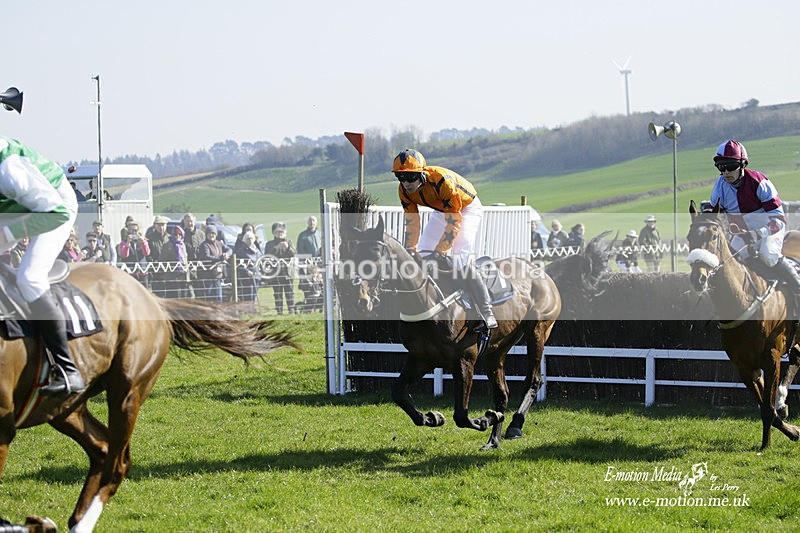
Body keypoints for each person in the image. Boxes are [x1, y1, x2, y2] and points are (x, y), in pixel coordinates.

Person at [0, 137, 84, 395]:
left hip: (54, 209)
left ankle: (68, 369)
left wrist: (5, 235)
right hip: (18, 208)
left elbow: (55, 213)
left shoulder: (10, 170)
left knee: (30, 277)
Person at [393, 148, 497, 329]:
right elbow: (412, 221)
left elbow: (454, 221)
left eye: (411, 177)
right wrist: (410, 247)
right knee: (423, 254)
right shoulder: (403, 191)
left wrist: (440, 252)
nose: (406, 183)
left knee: (460, 256)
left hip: (465, 208)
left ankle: (486, 312)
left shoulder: (443, 182)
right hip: (442, 211)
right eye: (401, 177)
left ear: (422, 174)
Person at [708, 139, 800, 313]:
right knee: (729, 262)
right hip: (742, 233)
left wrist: (758, 233)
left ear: (742, 164)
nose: (726, 172)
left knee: (768, 254)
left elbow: (779, 219)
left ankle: (797, 287)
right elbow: (712, 217)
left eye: (731, 166)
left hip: (769, 228)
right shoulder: (719, 187)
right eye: (722, 167)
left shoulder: (760, 182)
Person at [263, 221, 296, 314]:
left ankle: (291, 310)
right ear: (274, 233)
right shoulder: (269, 244)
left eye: (282, 232)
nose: (280, 233)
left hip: (288, 272)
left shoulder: (289, 242)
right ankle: (279, 311)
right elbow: (267, 256)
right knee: (277, 293)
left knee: (290, 292)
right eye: (278, 232)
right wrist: (276, 248)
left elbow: (294, 254)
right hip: (276, 273)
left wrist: (288, 247)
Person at [196, 225, 231, 302]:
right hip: (208, 276)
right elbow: (207, 257)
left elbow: (229, 249)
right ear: (206, 234)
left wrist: (227, 254)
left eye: (213, 233)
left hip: (218, 276)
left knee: (219, 298)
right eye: (209, 233)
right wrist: (221, 258)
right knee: (208, 298)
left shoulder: (219, 243)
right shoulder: (204, 245)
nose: (211, 235)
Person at [296, 216, 323, 311]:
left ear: (316, 222)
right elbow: (300, 250)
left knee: (320, 285)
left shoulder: (320, 234)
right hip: (308, 265)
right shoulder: (302, 235)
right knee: (309, 286)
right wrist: (308, 258)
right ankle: (309, 307)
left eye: (313, 220)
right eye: (310, 220)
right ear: (307, 223)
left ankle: (320, 306)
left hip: (319, 265)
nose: (312, 222)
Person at [118, 221, 151, 287]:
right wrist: (127, 244)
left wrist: (143, 243)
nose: (133, 232)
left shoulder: (143, 241)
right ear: (128, 231)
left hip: (142, 272)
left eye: (135, 230)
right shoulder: (123, 242)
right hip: (130, 272)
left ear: (138, 231)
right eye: (131, 230)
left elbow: (147, 253)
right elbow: (124, 255)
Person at [160, 225, 190, 298]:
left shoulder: (183, 245)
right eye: (176, 234)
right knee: (173, 296)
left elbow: (185, 259)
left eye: (180, 234)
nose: (178, 236)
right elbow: (162, 259)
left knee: (184, 295)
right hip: (171, 276)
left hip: (183, 275)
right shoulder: (167, 245)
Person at [145, 215, 171, 297]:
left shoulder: (170, 238)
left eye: (163, 225)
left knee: (169, 295)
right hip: (156, 272)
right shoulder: (150, 238)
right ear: (155, 225)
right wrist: (156, 265)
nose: (161, 227)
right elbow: (148, 255)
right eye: (159, 225)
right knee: (158, 296)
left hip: (169, 271)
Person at [233, 229, 262, 302]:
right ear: (244, 240)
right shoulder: (241, 251)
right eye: (248, 239)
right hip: (247, 277)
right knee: (249, 295)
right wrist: (246, 271)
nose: (250, 240)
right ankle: (249, 310)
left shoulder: (257, 250)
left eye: (251, 238)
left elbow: (261, 260)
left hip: (256, 276)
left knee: (254, 294)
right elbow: (238, 264)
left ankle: (252, 309)